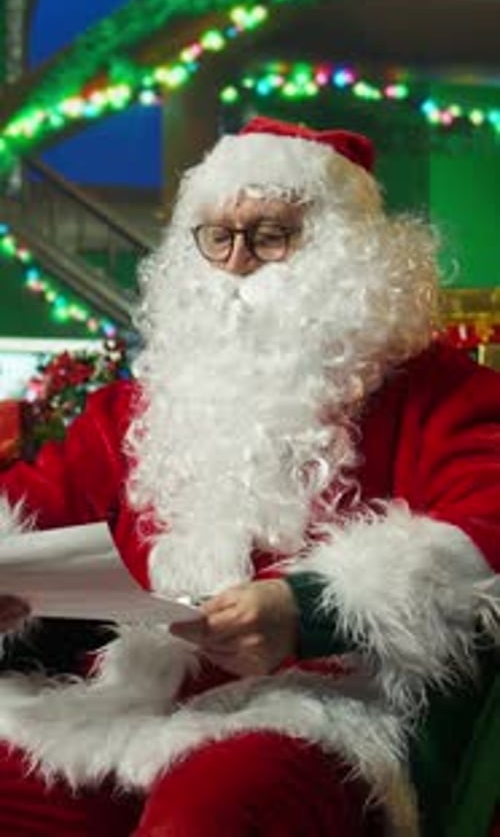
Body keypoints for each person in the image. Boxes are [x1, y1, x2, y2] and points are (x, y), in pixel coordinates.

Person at [0, 114, 498, 837]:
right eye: (218, 236)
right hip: (136, 702)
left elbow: (484, 527)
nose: (236, 262)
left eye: (271, 235)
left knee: (217, 806)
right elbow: (34, 508)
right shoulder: (135, 408)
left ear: (346, 252)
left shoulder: (439, 393)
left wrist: (309, 609)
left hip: (329, 712)